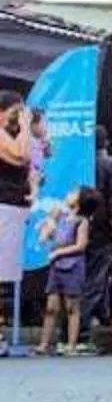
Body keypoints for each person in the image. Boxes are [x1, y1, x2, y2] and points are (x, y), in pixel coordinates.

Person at [78, 126, 112, 354]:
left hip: (79, 223)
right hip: (101, 227)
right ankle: (83, 331)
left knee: (85, 275)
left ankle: (98, 317)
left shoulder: (79, 162)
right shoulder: (110, 165)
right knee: (96, 278)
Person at [35, 187, 98, 355]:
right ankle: (44, 344)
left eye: (73, 193)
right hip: (56, 267)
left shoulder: (81, 221)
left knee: (72, 307)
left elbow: (81, 245)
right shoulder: (61, 217)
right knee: (51, 307)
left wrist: (58, 252)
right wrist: (51, 220)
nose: (68, 194)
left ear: (79, 202)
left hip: (73, 267)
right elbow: (46, 237)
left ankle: (71, 344)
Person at [0, 91, 31, 355]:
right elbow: (21, 154)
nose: (18, 118)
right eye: (14, 112)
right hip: (3, 207)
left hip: (13, 206)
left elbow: (26, 158)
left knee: (5, 273)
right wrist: (26, 125)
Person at [27, 107, 50, 202]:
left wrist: (47, 142)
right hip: (30, 171)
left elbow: (49, 154)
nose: (46, 127)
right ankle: (33, 196)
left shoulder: (41, 140)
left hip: (36, 171)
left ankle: (33, 196)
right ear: (33, 125)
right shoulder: (27, 140)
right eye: (44, 123)